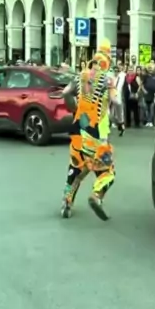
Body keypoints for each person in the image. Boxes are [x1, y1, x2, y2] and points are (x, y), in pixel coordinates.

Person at [60, 39, 116, 221]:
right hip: (97, 133)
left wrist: (74, 108)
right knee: (107, 172)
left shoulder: (81, 76)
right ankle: (96, 196)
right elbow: (117, 102)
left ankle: (67, 202)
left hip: (78, 130)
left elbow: (65, 93)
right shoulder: (108, 79)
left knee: (76, 168)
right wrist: (120, 121)